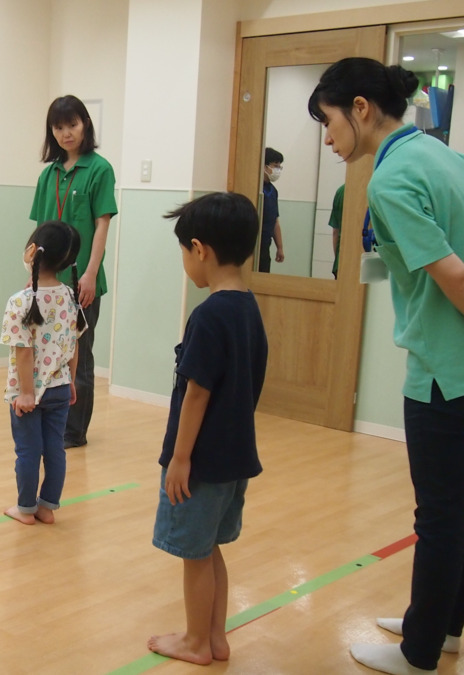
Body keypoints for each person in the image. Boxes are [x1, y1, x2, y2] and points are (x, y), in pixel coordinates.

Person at [309, 58, 464, 675]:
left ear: (361, 108)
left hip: (448, 377)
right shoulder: (449, 156)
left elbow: (452, 274)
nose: (328, 138)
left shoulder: (391, 180)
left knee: (442, 517)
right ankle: (443, 626)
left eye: (328, 121)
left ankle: (418, 653)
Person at [147, 193, 268, 666]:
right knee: (210, 548)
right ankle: (215, 637)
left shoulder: (210, 314)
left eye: (184, 252)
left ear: (199, 249)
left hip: (202, 461)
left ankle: (196, 641)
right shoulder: (248, 308)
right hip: (234, 457)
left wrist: (180, 458)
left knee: (194, 555)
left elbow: (196, 394)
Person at [29, 95, 117, 449]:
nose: (66, 133)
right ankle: (49, 422)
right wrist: (32, 275)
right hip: (47, 282)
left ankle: (74, 432)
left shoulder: (100, 169)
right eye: (59, 127)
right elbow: (38, 230)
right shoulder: (48, 174)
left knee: (78, 356)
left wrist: (91, 273)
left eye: (73, 125)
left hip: (81, 281)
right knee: (44, 352)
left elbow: (102, 224)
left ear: (86, 125)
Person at [1, 222, 87, 525]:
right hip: (60, 387)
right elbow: (74, 344)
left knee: (28, 452)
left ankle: (25, 509)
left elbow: (23, 351)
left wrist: (26, 393)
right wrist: (71, 381)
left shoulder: (20, 301)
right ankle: (47, 508)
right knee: (54, 450)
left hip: (29, 393)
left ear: (32, 251)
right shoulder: (70, 297)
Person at [258, 147, 286, 273]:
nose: (278, 170)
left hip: (265, 246)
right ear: (264, 166)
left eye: (280, 167)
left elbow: (275, 221)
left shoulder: (273, 191)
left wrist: (279, 247)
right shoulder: (255, 189)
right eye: (275, 166)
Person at [330, 184, 346, 278]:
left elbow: (335, 232)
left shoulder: (341, 191)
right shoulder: (367, 189)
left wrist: (337, 259)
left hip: (340, 262)